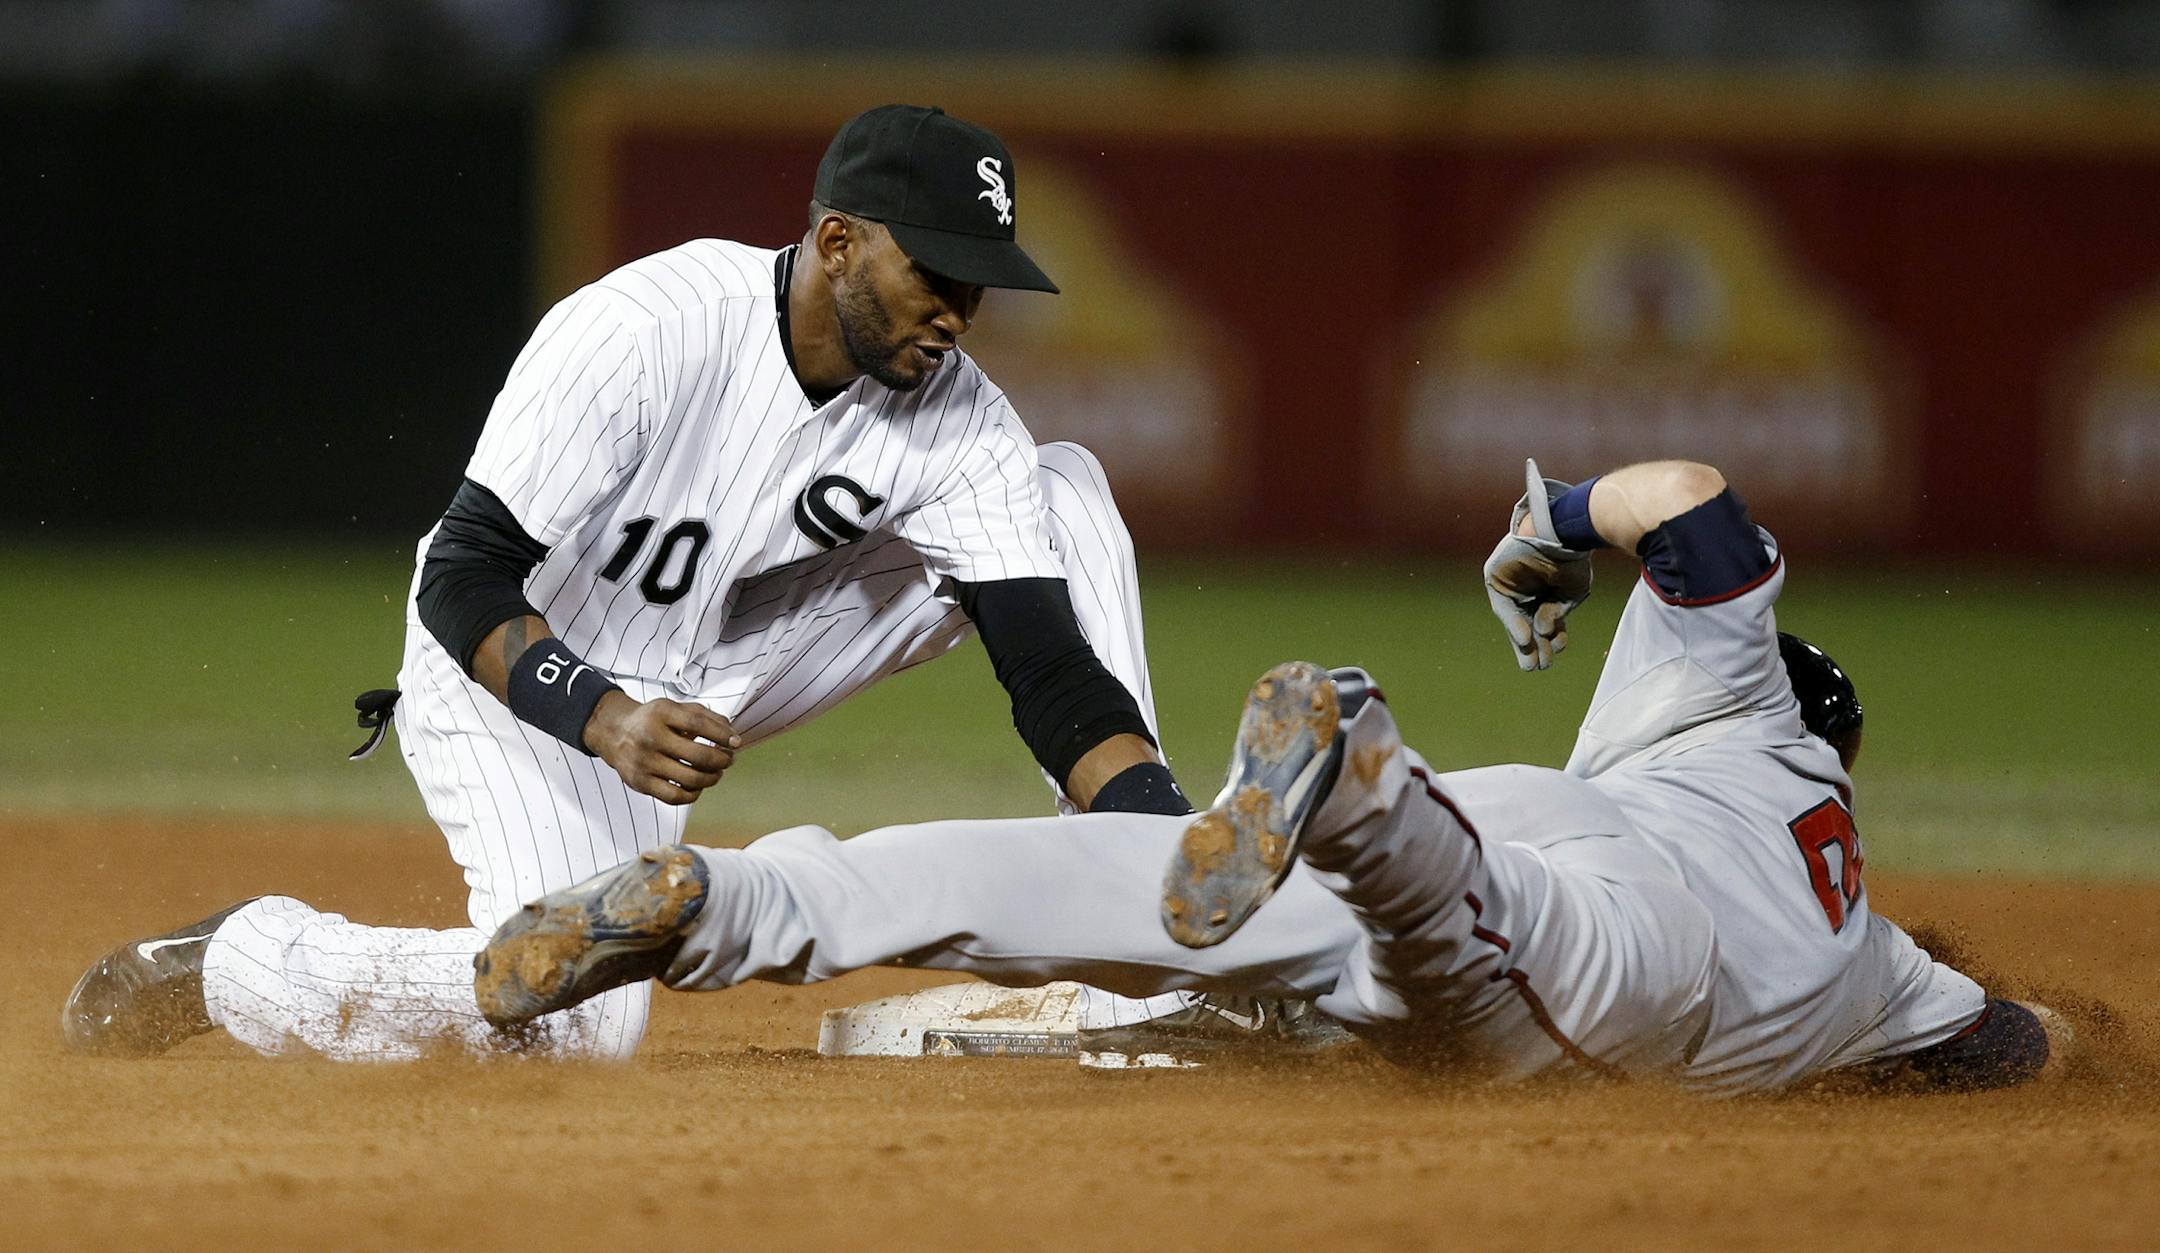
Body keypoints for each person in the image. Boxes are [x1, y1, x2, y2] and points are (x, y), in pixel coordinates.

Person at [59, 104, 1198, 1062]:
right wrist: (603, 716)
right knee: (579, 1025)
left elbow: (1052, 671)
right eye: (934, 271)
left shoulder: (959, 416)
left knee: (1063, 487)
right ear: (840, 240)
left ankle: (1164, 919)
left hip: (734, 657)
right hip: (536, 687)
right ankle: (237, 959)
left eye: (980, 280)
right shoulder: (647, 330)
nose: (958, 309)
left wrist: (1166, 840)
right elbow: (463, 575)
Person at [459, 456, 2067, 1093]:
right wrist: (2070, 1045)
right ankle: (1353, 764)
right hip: (1637, 954)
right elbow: (2016, 1052)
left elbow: (1690, 500)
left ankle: (728, 898)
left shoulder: (1724, 712)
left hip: (1543, 820)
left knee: (1073, 885)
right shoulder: (1877, 942)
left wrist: (1549, 522)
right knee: (1464, 935)